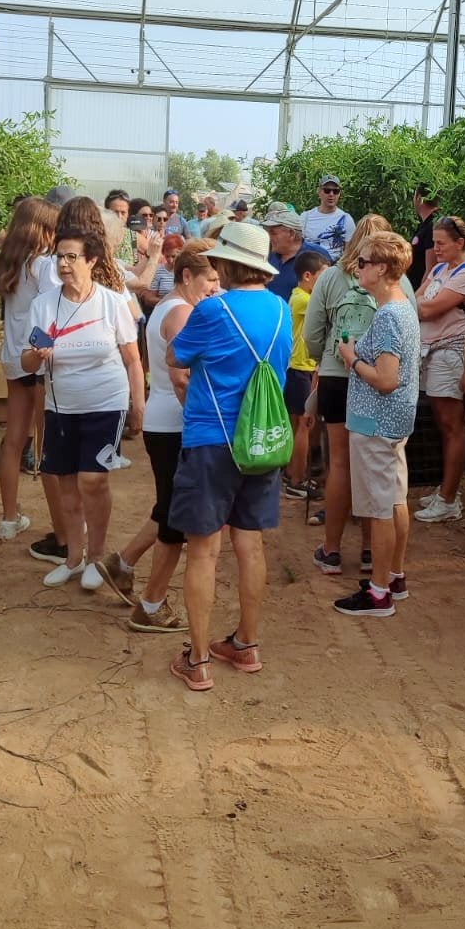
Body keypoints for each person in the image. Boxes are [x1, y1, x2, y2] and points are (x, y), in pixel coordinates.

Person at [164, 222, 290, 692]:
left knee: (203, 549)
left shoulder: (214, 310)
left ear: (227, 264)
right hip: (260, 439)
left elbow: (177, 356)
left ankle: (197, 660)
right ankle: (247, 643)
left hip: (211, 438)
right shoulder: (280, 308)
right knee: (250, 542)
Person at [99, 243, 220, 632]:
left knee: (169, 505)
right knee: (175, 518)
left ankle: (123, 563)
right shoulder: (183, 313)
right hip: (176, 424)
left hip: (164, 421)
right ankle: (151, 605)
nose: (216, 288)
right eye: (211, 279)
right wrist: (203, 418)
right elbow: (183, 376)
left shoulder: (168, 306)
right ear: (188, 276)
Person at [22, 227, 145, 591]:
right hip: (61, 405)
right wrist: (37, 354)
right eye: (59, 256)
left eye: (71, 256)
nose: (63, 263)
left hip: (105, 402)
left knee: (93, 479)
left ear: (91, 260)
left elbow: (133, 359)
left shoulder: (112, 302)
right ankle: (73, 558)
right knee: (66, 484)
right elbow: (28, 362)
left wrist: (139, 405)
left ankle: (96, 556)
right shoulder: (43, 305)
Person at [304, 214, 417, 576]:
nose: (361, 266)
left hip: (349, 383)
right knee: (386, 485)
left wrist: (338, 358)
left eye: (367, 261)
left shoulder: (334, 278)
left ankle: (334, 550)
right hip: (390, 404)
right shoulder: (404, 292)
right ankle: (374, 555)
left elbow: (313, 335)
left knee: (345, 467)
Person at [332, 231, 420, 618]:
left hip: (376, 422)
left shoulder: (387, 315)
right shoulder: (402, 308)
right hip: (393, 420)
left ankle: (380, 591)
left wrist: (351, 358)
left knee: (380, 507)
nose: (358, 267)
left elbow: (386, 379)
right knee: (395, 499)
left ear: (382, 268)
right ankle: (394, 576)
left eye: (364, 262)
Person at [0, 196, 62, 543]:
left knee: (14, 441)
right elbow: (51, 313)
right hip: (36, 359)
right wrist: (45, 346)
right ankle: (61, 526)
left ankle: (8, 517)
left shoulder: (10, 263)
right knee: (46, 443)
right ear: (44, 230)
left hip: (13, 356)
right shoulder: (45, 265)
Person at [413, 215, 465, 524]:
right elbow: (417, 298)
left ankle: (450, 497)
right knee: (441, 421)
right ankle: (445, 489)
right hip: (432, 350)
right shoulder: (441, 269)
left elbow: (426, 306)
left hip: (452, 352)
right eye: (434, 242)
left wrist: (414, 305)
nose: (436, 248)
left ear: (460, 243)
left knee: (451, 423)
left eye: (441, 243)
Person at [282, 250, 327, 500]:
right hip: (302, 368)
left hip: (298, 368)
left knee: (298, 424)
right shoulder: (304, 300)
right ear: (308, 276)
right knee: (304, 425)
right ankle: (297, 480)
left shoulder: (299, 296)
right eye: (322, 276)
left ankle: (292, 473)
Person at [264, 208, 330, 300]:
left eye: (273, 233)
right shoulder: (267, 255)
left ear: (291, 233)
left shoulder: (317, 256)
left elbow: (328, 292)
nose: (268, 237)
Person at [300, 175, 356, 260]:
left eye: (336, 191)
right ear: (319, 192)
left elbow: (350, 253)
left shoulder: (346, 219)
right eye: (327, 190)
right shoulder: (305, 217)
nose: (331, 194)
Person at [409, 185, 440, 288]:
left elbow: (430, 269)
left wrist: (417, 297)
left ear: (419, 198)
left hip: (422, 291)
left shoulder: (433, 225)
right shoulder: (424, 225)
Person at [148, 232, 185, 300]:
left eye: (173, 256)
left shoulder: (186, 271)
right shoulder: (158, 270)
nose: (170, 260)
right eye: (167, 256)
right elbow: (150, 297)